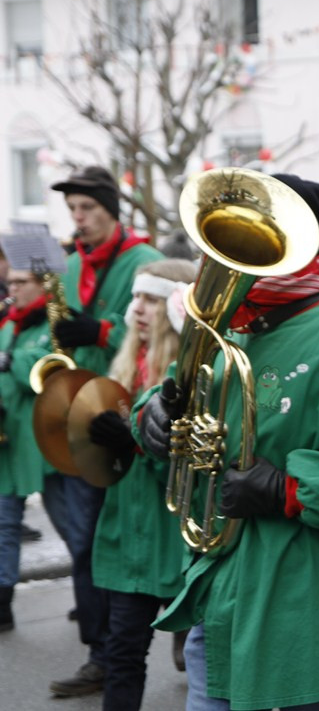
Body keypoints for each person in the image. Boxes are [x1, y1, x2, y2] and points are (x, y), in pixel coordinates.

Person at [142, 174, 319, 710]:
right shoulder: (221, 322)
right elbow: (175, 395)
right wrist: (154, 413)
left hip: (312, 596)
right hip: (223, 586)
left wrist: (288, 488)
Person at [49, 165, 163, 697]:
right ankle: (101, 651)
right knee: (87, 542)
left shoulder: (144, 261)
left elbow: (164, 325)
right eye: (72, 211)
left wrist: (98, 328)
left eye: (87, 209)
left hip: (134, 412)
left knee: (132, 538)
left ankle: (184, 629)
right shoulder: (69, 264)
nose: (78, 219)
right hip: (84, 415)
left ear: (111, 210)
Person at [83, 259, 196, 710]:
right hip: (130, 534)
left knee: (206, 660)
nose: (139, 309)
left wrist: (136, 441)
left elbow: (189, 461)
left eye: (151, 298)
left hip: (177, 537)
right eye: (136, 299)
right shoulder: (127, 361)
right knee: (123, 653)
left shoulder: (190, 371)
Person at [0, 269, 74, 632]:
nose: (12, 289)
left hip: (44, 444)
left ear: (40, 286)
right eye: (10, 283)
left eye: (20, 282)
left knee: (71, 526)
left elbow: (52, 369)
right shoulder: (8, 324)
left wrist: (12, 362)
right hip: (8, 442)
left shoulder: (52, 322)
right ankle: (2, 603)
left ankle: (89, 595)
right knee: (3, 526)